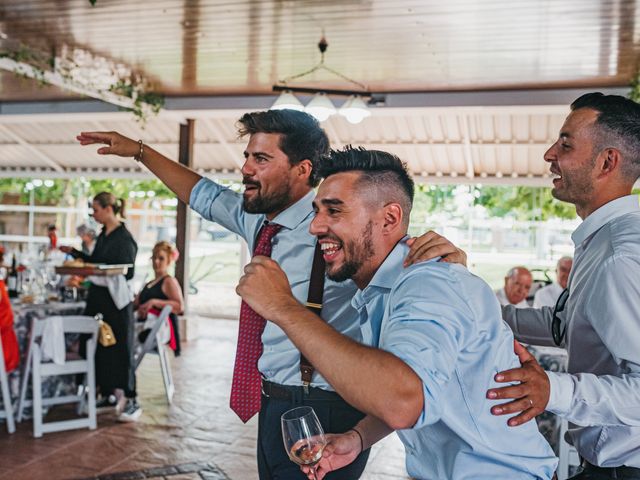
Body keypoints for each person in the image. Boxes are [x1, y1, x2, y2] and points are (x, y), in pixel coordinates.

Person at [76, 109, 465, 479]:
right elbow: (204, 195)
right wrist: (141, 152)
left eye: (261, 158)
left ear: (302, 170)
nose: (245, 168)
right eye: (247, 156)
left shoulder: (343, 234)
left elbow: (404, 259)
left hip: (327, 405)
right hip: (272, 399)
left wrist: (452, 263)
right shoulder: (259, 220)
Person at [237, 147, 557, 480]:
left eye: (334, 211)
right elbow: (422, 390)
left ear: (390, 218)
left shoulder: (428, 284)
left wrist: (283, 307)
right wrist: (358, 438)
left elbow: (405, 400)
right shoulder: (382, 291)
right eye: (317, 211)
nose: (315, 227)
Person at [464, 93, 640, 479]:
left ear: (607, 161)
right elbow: (565, 325)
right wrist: (469, 307)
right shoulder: (602, 241)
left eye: (565, 144)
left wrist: (553, 390)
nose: (549, 154)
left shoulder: (620, 256)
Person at [60, 192, 140, 422]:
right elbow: (95, 262)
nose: (93, 214)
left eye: (95, 209)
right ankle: (107, 393)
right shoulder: (105, 234)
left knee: (120, 349)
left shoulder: (124, 238)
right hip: (98, 298)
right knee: (98, 349)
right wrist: (75, 254)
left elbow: (127, 271)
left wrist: (94, 267)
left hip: (115, 301)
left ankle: (131, 399)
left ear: (108, 209)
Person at [134, 241, 183, 356]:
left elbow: (179, 307)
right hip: (143, 324)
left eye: (161, 258)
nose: (156, 262)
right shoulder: (148, 283)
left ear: (168, 261)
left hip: (159, 330)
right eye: (154, 258)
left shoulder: (169, 281)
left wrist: (154, 302)